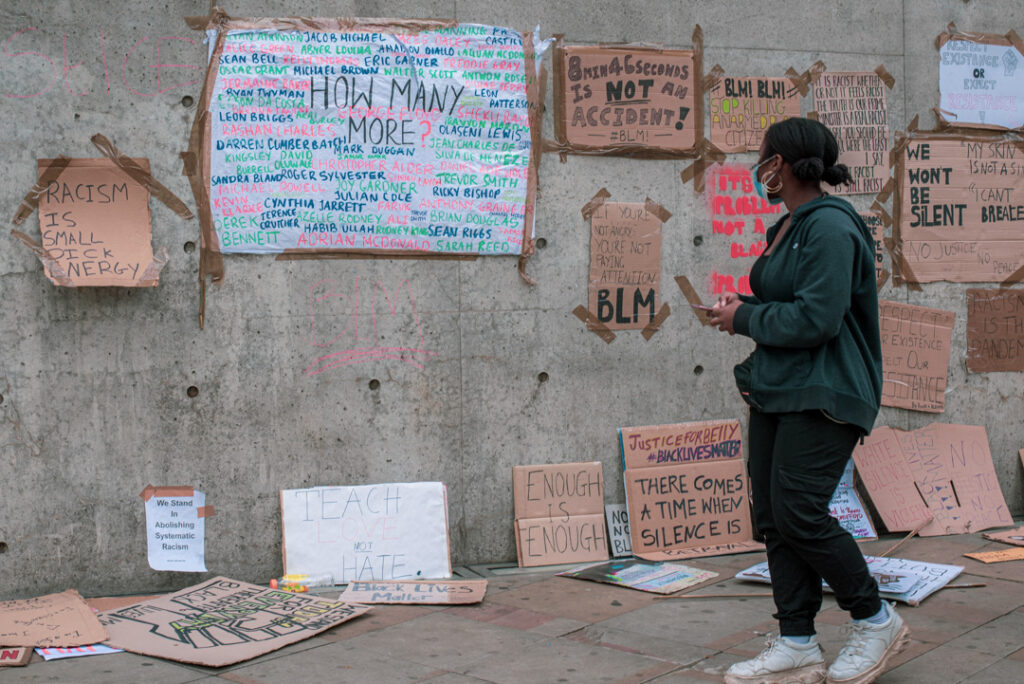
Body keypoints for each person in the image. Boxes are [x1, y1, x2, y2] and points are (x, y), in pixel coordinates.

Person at [710, 118, 909, 684]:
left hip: (826, 391)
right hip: (779, 388)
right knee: (775, 518)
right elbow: (794, 302)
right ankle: (796, 640)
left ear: (779, 164)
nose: (757, 167)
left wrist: (745, 319)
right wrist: (742, 307)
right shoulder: (790, 225)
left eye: (762, 157)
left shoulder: (831, 227)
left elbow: (818, 318)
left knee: (800, 512)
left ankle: (875, 619)